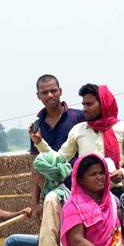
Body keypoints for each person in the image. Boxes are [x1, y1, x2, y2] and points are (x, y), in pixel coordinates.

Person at [0, 135, 73, 246]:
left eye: (36, 174)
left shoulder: (51, 199)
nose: (35, 178)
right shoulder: (67, 193)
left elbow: (49, 244)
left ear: (44, 176)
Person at [58, 84, 124, 196]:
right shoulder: (78, 130)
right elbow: (59, 159)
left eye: (89, 104)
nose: (84, 109)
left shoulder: (123, 128)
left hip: (119, 194)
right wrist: (39, 143)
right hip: (88, 196)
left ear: (103, 104)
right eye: (84, 104)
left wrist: (122, 172)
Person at [28, 74, 84, 226]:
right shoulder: (36, 127)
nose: (50, 95)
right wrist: (35, 202)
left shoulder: (78, 117)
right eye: (45, 92)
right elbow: (36, 167)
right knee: (55, 238)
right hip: (52, 194)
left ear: (60, 91)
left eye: (53, 90)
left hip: (81, 191)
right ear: (38, 95)